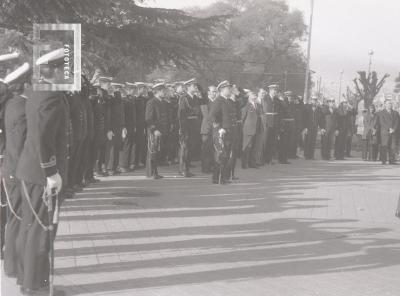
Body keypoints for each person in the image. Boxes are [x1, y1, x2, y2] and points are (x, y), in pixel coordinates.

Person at [16, 48, 68, 296]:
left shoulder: (38, 92)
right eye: (64, 69)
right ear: (55, 70)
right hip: (40, 173)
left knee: (30, 228)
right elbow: (41, 138)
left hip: (30, 171)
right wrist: (51, 172)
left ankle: (29, 282)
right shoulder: (50, 96)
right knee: (41, 231)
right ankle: (35, 288)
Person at [2, 62, 30, 278]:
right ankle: (14, 266)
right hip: (16, 171)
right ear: (24, 84)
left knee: (15, 219)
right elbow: (19, 146)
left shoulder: (13, 104)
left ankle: (13, 265)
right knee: (17, 219)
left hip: (12, 169)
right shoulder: (19, 107)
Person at [209, 80, 233, 184]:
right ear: (222, 90)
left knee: (225, 156)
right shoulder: (218, 101)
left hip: (228, 132)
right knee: (221, 156)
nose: (230, 90)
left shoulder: (227, 101)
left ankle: (219, 178)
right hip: (220, 133)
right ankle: (219, 178)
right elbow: (211, 117)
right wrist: (219, 129)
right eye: (228, 88)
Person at [145, 82, 170, 179]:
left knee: (157, 152)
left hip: (162, 130)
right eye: (163, 91)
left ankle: (154, 172)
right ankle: (151, 173)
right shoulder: (151, 102)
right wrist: (154, 129)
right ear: (157, 91)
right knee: (152, 151)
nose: (165, 93)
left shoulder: (163, 102)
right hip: (154, 131)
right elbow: (148, 119)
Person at [178, 78, 201, 177]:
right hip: (187, 127)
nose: (196, 87)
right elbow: (181, 115)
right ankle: (183, 169)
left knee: (190, 149)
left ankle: (187, 169)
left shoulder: (195, 98)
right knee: (185, 149)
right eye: (193, 86)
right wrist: (183, 129)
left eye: (196, 86)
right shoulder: (184, 98)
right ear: (188, 87)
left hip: (194, 126)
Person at [105, 83, 127, 175]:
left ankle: (115, 166)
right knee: (112, 148)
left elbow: (122, 116)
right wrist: (109, 129)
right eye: (117, 90)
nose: (119, 93)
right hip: (113, 128)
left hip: (119, 127)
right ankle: (110, 168)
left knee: (117, 147)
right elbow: (108, 116)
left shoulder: (120, 102)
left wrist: (123, 127)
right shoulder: (111, 102)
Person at [119, 82, 137, 172]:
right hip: (126, 125)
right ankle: (123, 165)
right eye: (130, 89)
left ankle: (130, 163)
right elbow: (123, 114)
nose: (132, 91)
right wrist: (123, 126)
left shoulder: (131, 100)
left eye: (133, 89)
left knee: (131, 145)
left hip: (132, 125)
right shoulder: (124, 100)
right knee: (125, 145)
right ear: (126, 90)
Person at [200, 85, 217, 173]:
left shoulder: (216, 101)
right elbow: (206, 115)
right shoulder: (205, 101)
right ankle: (205, 168)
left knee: (212, 149)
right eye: (213, 91)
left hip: (214, 128)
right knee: (206, 149)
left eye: (215, 91)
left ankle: (211, 166)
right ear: (208, 92)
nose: (215, 93)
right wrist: (215, 123)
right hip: (207, 128)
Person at [262, 84, 280, 165]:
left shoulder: (276, 99)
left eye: (276, 90)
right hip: (267, 122)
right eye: (274, 90)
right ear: (270, 90)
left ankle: (269, 159)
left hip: (274, 123)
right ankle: (263, 159)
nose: (275, 92)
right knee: (265, 141)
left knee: (272, 142)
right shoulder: (265, 98)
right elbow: (264, 111)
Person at [241, 90, 261, 169]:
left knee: (254, 147)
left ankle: (252, 163)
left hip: (256, 128)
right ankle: (244, 164)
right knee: (246, 147)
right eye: (253, 94)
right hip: (248, 129)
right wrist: (243, 129)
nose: (254, 95)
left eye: (255, 94)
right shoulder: (246, 105)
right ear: (248, 96)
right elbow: (242, 118)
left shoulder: (257, 105)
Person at [377, 100, 399, 164]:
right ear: (385, 104)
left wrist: (394, 129)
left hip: (393, 132)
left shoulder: (395, 113)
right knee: (384, 146)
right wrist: (389, 128)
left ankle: (392, 160)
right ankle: (384, 160)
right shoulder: (381, 113)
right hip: (385, 132)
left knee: (392, 146)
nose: (390, 105)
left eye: (391, 103)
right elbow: (382, 122)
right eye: (388, 103)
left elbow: (397, 122)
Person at [133, 82, 148, 170]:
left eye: (144, 88)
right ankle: (135, 162)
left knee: (142, 143)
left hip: (142, 124)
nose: (144, 90)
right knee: (137, 144)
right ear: (138, 89)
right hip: (137, 124)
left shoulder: (143, 99)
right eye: (142, 88)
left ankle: (139, 161)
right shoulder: (135, 99)